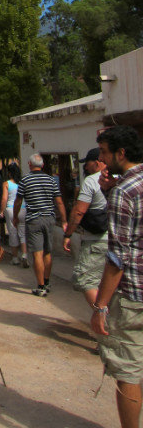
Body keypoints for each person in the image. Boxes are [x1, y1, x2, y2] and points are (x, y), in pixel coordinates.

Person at [90, 126, 143, 428]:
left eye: (105, 153)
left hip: (133, 292)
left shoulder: (125, 191)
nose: (101, 160)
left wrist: (101, 306)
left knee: (128, 370)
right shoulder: (124, 187)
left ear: (121, 154)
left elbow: (117, 258)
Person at [13, 153, 67, 297]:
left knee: (37, 253)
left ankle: (41, 285)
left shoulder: (25, 181)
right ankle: (47, 281)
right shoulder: (51, 180)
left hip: (33, 219)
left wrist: (15, 217)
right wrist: (64, 220)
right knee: (48, 252)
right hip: (49, 218)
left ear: (30, 165)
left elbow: (18, 201)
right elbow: (59, 201)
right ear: (42, 165)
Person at [63, 148, 108, 309]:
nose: (85, 168)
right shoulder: (123, 178)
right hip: (118, 239)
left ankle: (103, 316)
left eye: (87, 164)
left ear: (96, 162)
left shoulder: (91, 181)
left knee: (85, 279)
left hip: (95, 240)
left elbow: (79, 211)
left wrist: (68, 234)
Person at [0, 162, 28, 267]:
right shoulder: (23, 182)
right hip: (23, 208)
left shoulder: (7, 184)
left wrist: (1, 210)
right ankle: (25, 254)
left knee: (12, 232)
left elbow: (4, 198)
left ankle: (15, 257)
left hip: (11, 209)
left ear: (9, 173)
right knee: (23, 233)